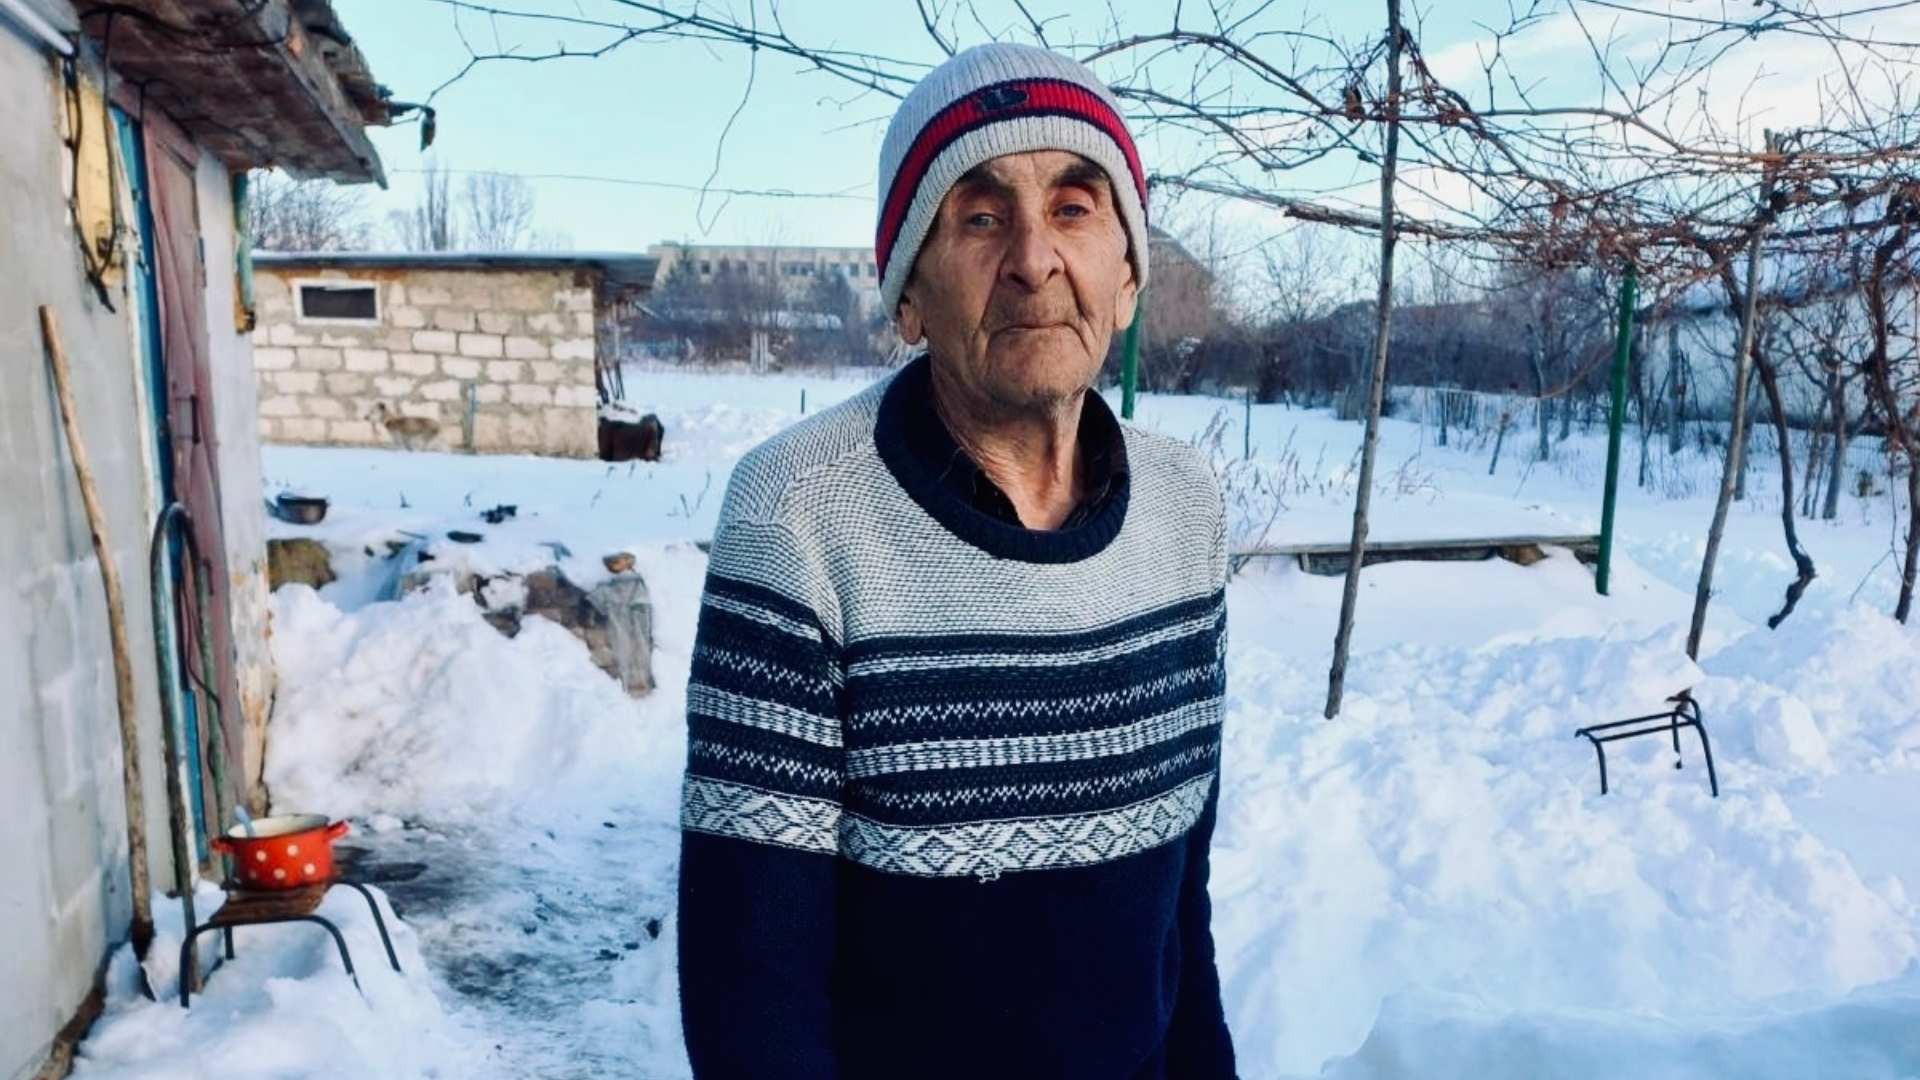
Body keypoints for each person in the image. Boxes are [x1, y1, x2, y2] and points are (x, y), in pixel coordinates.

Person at [676, 41, 1235, 1080]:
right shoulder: (798, 516)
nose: (1033, 258)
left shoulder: (1184, 511)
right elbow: (754, 990)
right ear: (907, 294)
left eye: (1075, 207)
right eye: (979, 217)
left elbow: (1177, 912)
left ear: (1126, 272)